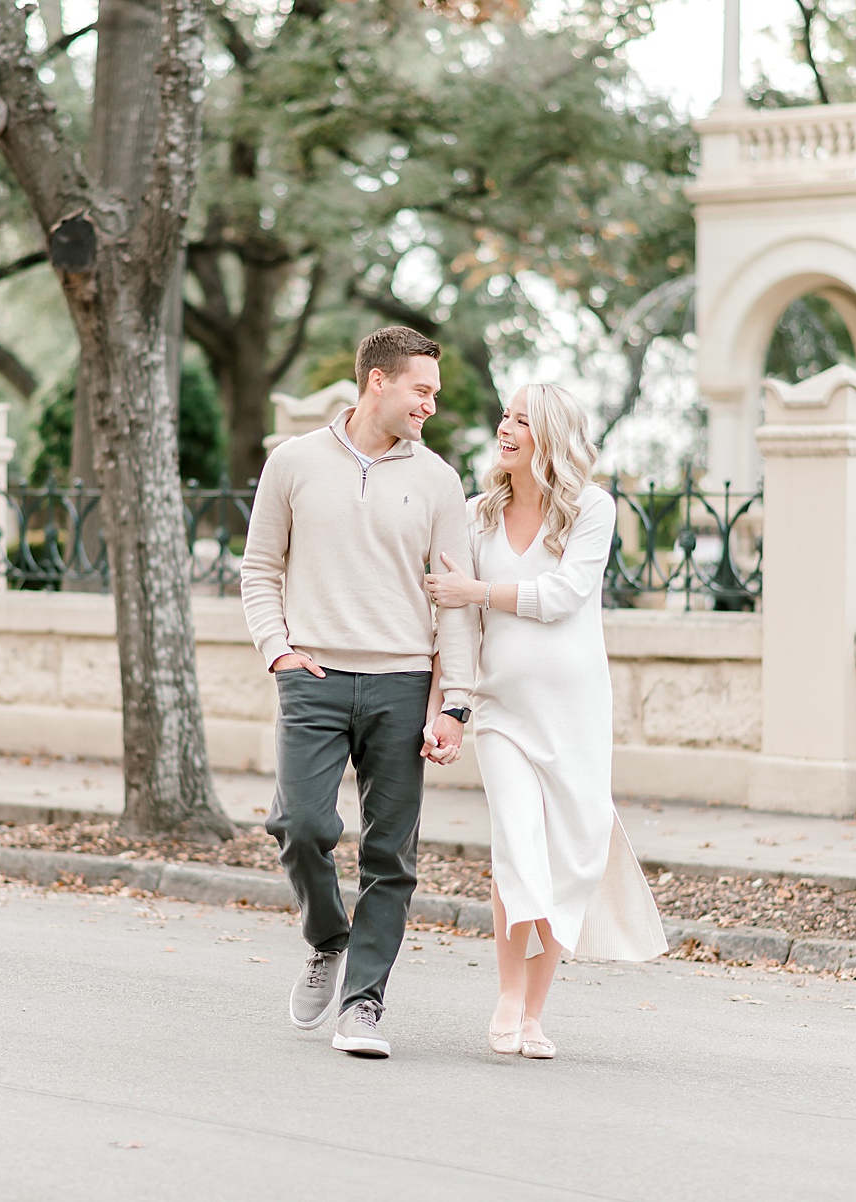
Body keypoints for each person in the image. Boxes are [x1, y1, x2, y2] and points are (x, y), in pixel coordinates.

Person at [239, 326, 475, 1059]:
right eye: (422, 389)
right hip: (312, 676)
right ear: (379, 381)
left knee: (389, 855)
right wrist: (277, 651)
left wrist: (456, 702)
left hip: (404, 680)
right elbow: (259, 569)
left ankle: (364, 1004)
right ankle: (327, 937)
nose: (431, 404)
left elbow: (455, 602)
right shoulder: (294, 462)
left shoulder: (438, 479)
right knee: (302, 826)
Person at [423, 383, 668, 1060]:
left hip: (575, 713)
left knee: (569, 858)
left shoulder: (591, 508)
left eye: (521, 420)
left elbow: (564, 596)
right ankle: (506, 996)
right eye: (504, 414)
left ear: (550, 436)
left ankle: (534, 1014)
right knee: (517, 847)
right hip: (502, 710)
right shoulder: (476, 517)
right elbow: (457, 621)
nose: (505, 427)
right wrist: (450, 706)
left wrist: (477, 590)